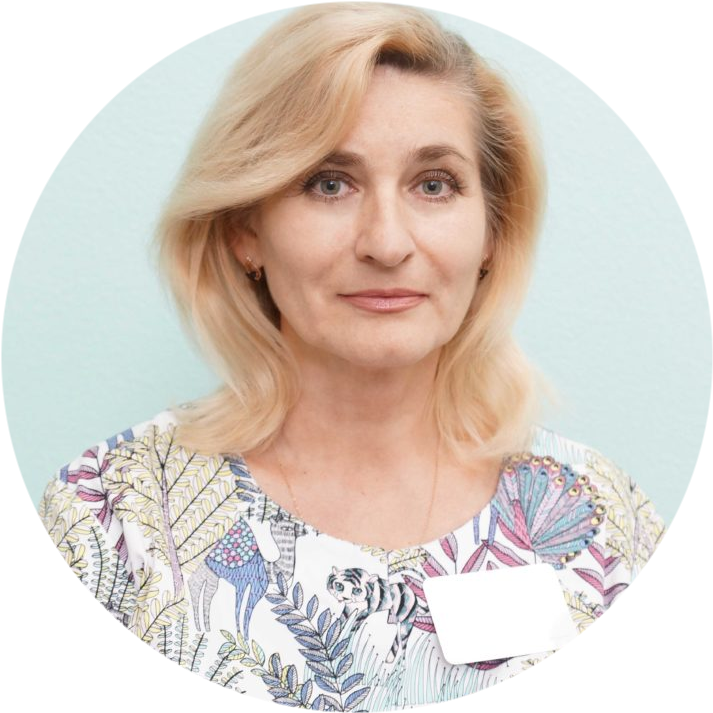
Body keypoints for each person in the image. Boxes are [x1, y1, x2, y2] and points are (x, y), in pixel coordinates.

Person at [0, 0, 693, 711]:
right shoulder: (112, 515)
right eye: (329, 183)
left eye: (433, 184)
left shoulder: (599, 521)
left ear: (492, 228)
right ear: (245, 229)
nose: (386, 243)